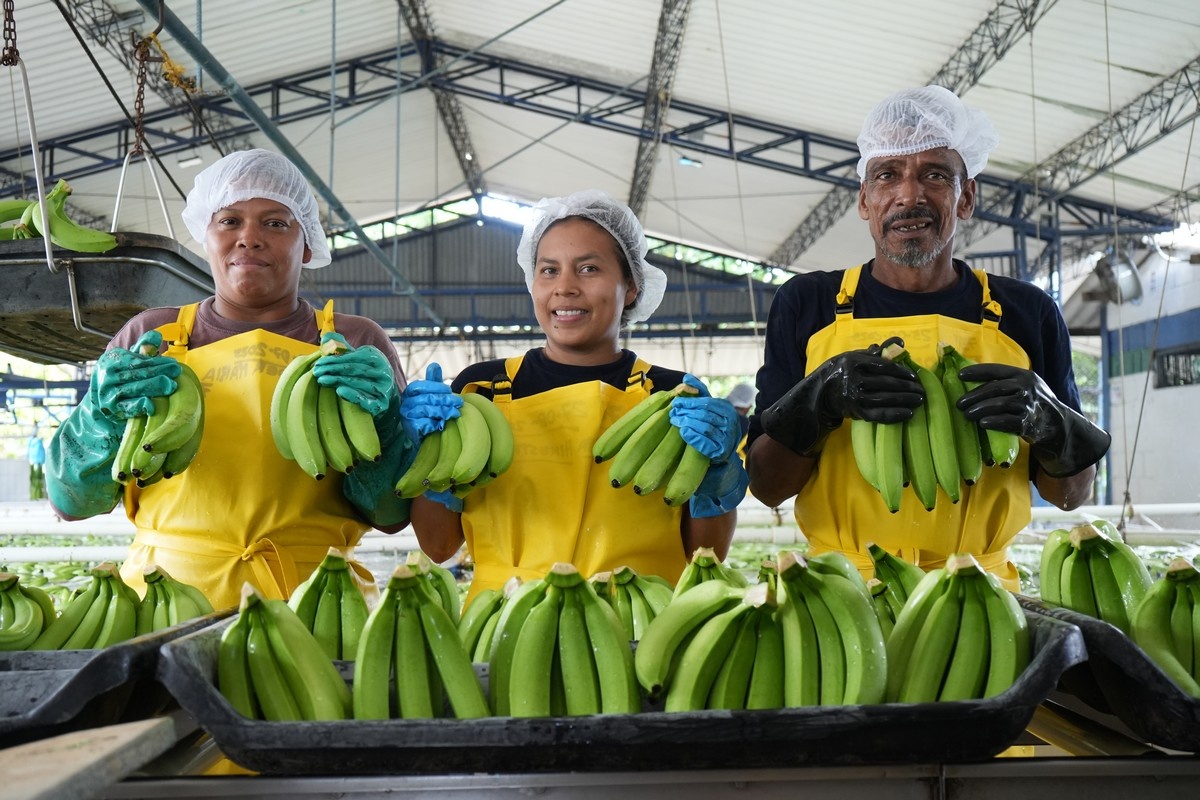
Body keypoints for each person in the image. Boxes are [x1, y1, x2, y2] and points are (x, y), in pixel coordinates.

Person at [745, 86, 1110, 590]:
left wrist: (1049, 422)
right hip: (843, 588)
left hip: (983, 592)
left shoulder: (1027, 312)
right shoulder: (808, 304)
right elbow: (766, 487)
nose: (909, 195)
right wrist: (817, 402)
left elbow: (1071, 494)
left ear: (967, 198)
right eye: (887, 175)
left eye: (935, 175)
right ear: (864, 201)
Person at [44, 148, 422, 610]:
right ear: (206, 237)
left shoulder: (356, 342)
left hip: (316, 600)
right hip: (164, 598)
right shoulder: (150, 337)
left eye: (275, 222)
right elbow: (71, 502)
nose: (249, 238)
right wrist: (100, 416)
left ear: (307, 243)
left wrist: (383, 424)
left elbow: (390, 514)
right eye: (229, 221)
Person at [409, 189, 749, 603]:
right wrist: (424, 461)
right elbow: (439, 545)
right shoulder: (480, 390)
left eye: (588, 268)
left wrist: (716, 479)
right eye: (548, 270)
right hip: (508, 623)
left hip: (639, 623)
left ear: (631, 287)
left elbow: (705, 555)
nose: (565, 287)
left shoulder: (674, 397)